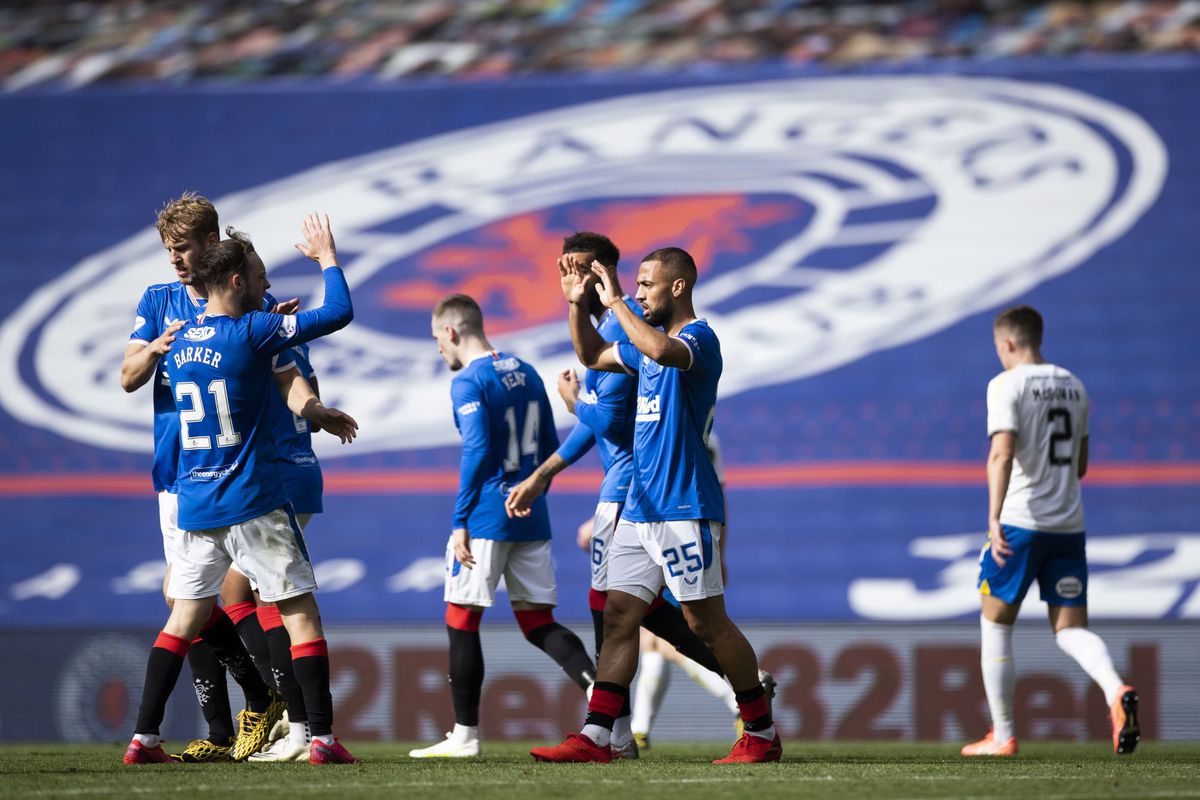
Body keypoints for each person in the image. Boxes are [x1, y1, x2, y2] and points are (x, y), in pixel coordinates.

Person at [122, 213, 361, 766]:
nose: (264, 285)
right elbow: (338, 313)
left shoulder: (176, 344)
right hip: (252, 499)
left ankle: (144, 739)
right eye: (256, 276)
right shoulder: (252, 331)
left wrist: (313, 407)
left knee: (183, 616)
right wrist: (326, 258)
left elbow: (271, 377)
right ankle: (319, 737)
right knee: (299, 610)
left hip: (196, 501)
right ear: (234, 281)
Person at [530, 248, 780, 764]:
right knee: (620, 616)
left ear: (678, 288)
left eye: (647, 284)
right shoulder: (643, 345)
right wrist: (579, 305)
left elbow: (663, 351)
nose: (639, 292)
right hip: (640, 508)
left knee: (705, 622)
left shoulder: (698, 339)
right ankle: (600, 735)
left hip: (684, 505)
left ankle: (760, 731)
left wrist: (616, 299)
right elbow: (591, 355)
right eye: (636, 285)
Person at [122, 193, 292, 762]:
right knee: (184, 598)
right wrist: (154, 351)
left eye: (184, 247)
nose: (174, 259)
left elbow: (280, 364)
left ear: (210, 242)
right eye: (168, 249)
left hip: (234, 474)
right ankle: (246, 709)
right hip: (176, 472)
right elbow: (127, 377)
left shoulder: (242, 297)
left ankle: (263, 714)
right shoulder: (158, 300)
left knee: (220, 596)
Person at [409, 294, 596, 759]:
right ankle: (607, 703)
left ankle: (465, 736)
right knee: (538, 622)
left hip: (488, 516)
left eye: (437, 339)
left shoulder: (469, 381)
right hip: (532, 512)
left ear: (451, 332)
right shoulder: (528, 371)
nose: (438, 350)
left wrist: (460, 521)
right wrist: (534, 492)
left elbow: (475, 449)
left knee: (460, 618)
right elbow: (551, 443)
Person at [962, 305, 1139, 757]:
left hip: (1021, 521)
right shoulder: (1074, 386)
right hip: (1068, 523)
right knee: (1070, 629)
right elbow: (1080, 465)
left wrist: (994, 516)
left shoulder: (1005, 384)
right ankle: (1116, 690)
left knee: (995, 623)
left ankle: (1001, 735)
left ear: (1008, 343)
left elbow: (1001, 454)